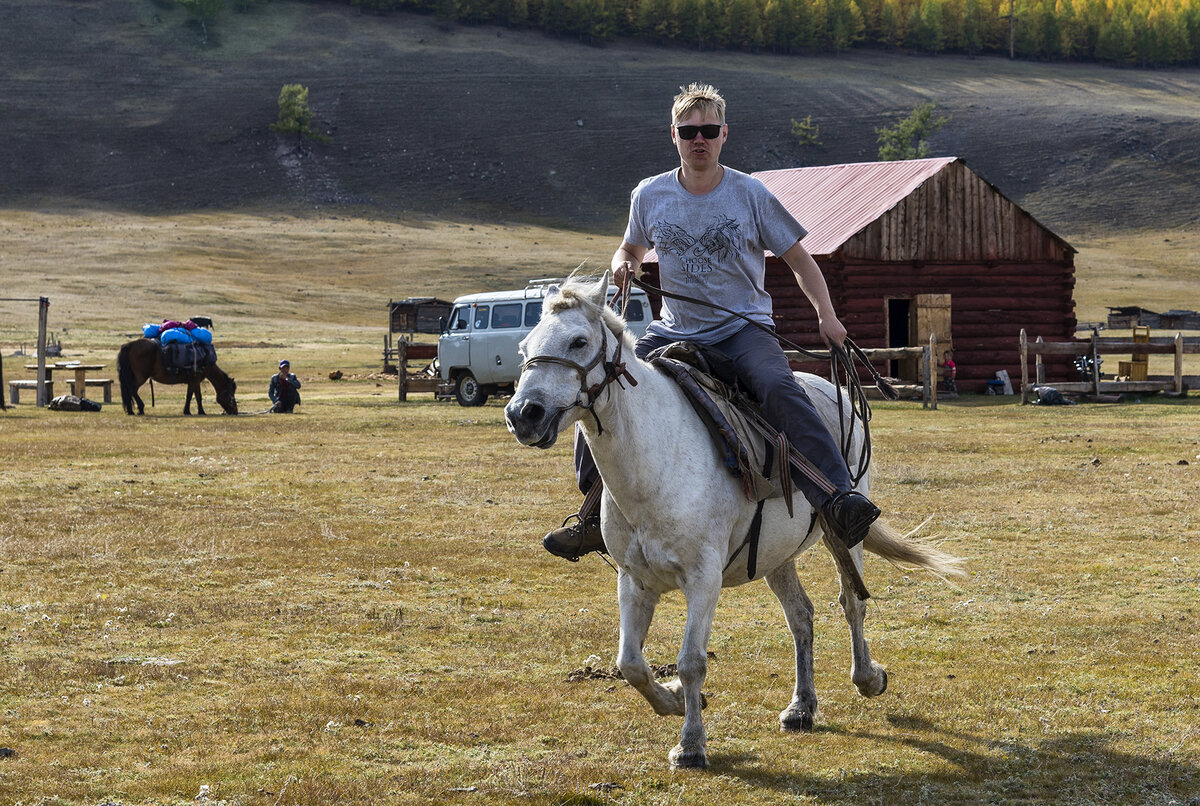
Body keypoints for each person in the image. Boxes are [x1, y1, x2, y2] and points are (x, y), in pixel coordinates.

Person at [543, 82, 881, 562]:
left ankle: (839, 497)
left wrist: (827, 315)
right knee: (604, 384)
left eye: (707, 130)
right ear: (674, 136)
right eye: (688, 131)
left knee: (777, 387)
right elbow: (631, 248)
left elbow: (801, 262)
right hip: (673, 329)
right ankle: (594, 512)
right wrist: (624, 263)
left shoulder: (750, 194)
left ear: (724, 134)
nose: (697, 139)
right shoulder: (650, 195)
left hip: (742, 330)